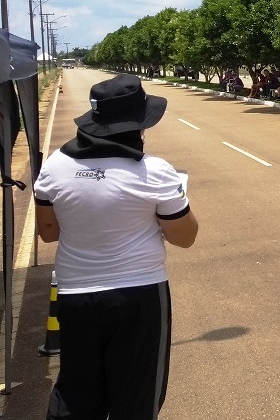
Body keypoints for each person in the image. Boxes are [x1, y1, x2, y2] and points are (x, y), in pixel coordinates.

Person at [34, 73, 199, 419]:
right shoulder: (155, 172)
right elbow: (184, 236)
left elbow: (48, 232)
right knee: (136, 395)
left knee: (78, 390)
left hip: (75, 293)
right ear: (138, 125)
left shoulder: (55, 166)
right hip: (139, 294)